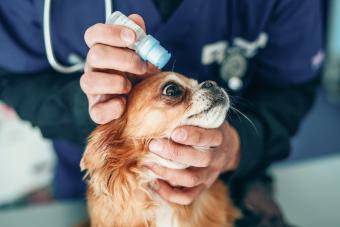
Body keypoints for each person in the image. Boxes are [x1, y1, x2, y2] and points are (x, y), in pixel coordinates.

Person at [0, 0, 323, 215]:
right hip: (89, 189)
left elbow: (292, 85)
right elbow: (10, 77)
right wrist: (82, 105)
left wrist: (238, 145)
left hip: (238, 181)